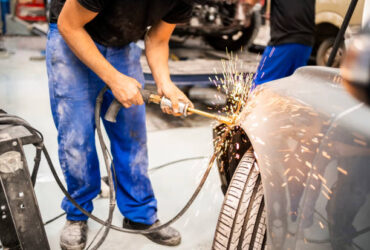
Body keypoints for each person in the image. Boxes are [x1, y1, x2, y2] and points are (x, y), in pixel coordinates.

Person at [46, 0, 204, 249]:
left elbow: (158, 39)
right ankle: (78, 214)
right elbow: (69, 25)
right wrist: (113, 78)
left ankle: (139, 215)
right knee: (76, 138)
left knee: (132, 134)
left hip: (122, 44)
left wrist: (166, 84)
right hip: (72, 36)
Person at [248, 0, 315, 85]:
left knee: (262, 87)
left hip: (284, 41)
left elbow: (250, 2)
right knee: (289, 90)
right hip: (306, 43)